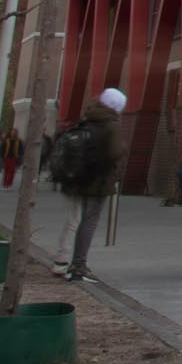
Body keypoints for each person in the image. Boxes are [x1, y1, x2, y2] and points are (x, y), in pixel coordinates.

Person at [58, 87, 127, 283]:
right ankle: (79, 265)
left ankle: (69, 260)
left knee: (79, 219)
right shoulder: (111, 125)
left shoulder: (88, 119)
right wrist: (122, 147)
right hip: (99, 179)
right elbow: (115, 152)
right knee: (90, 221)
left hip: (81, 176)